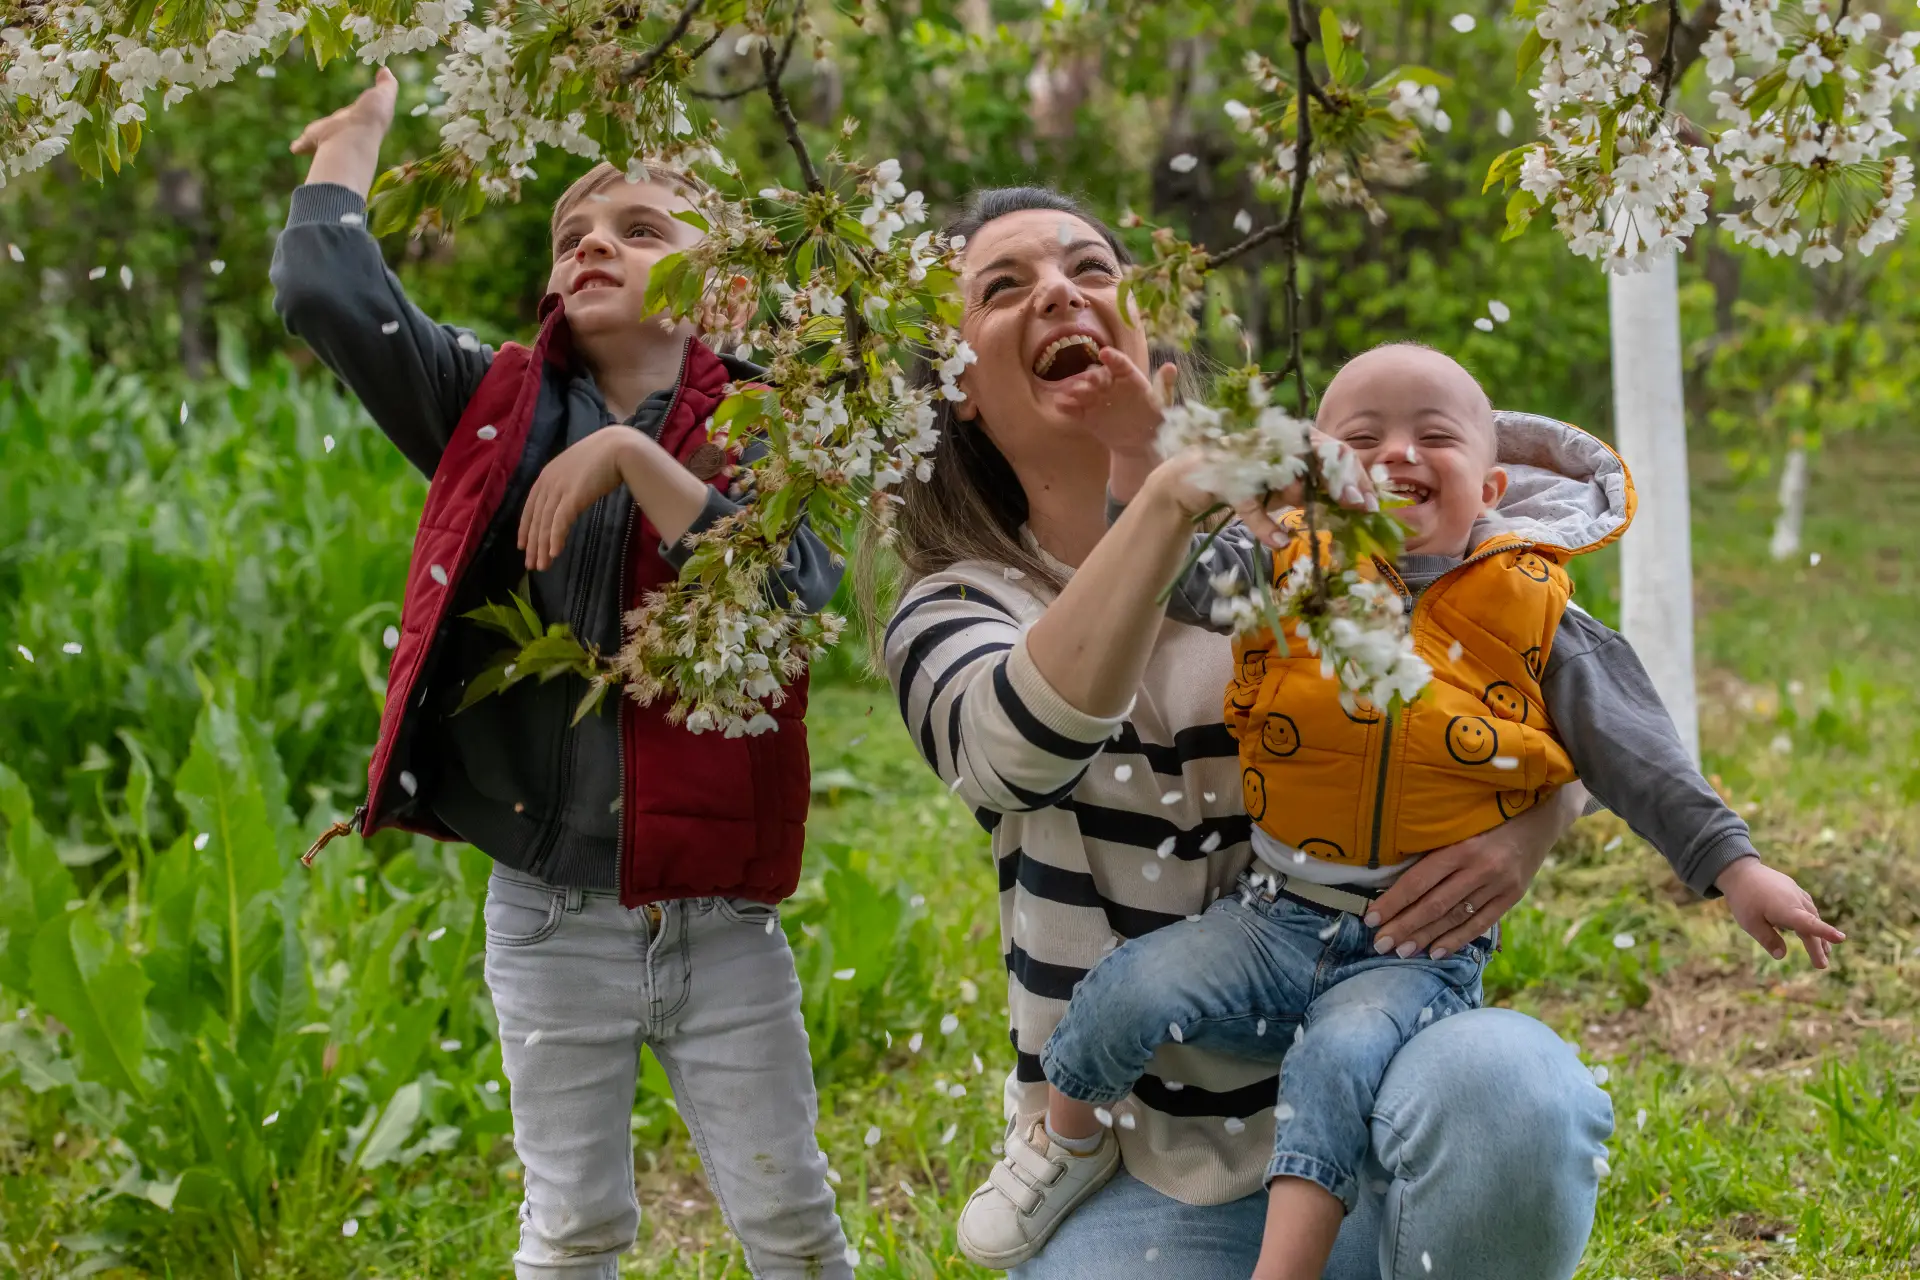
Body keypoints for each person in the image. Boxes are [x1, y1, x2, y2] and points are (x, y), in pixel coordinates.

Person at [878, 186, 1615, 1280]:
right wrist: (1173, 496)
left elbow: (1559, 675)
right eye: (1003, 286)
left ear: (1146, 338)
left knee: (1513, 1087)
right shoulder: (959, 608)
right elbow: (1020, 748)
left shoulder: (1298, 537)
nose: (1056, 293)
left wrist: (1530, 827)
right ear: (961, 392)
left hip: (1378, 1118)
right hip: (1148, 1166)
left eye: (1089, 267)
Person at [988, 342, 1846, 1279]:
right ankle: (1060, 1142)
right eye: (1363, 437)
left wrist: (1737, 867)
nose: (1397, 453)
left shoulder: (1536, 615)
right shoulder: (1290, 574)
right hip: (1273, 914)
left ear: (1490, 487)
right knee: (1132, 986)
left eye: (1433, 436)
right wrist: (1132, 459)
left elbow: (1639, 753)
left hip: (1414, 949)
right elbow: (1172, 573)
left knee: (1333, 1068)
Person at [273, 69, 852, 1279]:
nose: (598, 245)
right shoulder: (490, 406)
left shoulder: (775, 425)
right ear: (549, 281)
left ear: (720, 284)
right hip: (544, 912)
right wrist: (361, 139)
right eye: (575, 235)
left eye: (642, 229)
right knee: (574, 1223)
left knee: (791, 1221)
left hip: (718, 917)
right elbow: (326, 291)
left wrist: (635, 457)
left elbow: (796, 588)